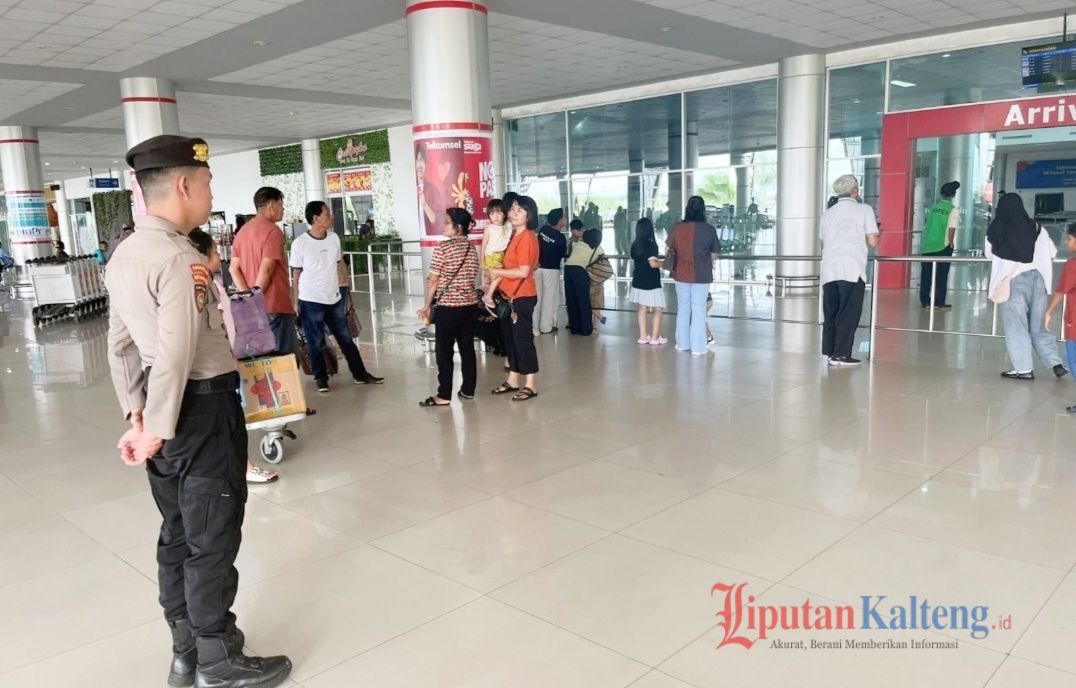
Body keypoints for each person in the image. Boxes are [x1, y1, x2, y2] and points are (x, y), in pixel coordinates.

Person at [105, 135, 291, 687]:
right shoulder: (181, 259)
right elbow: (178, 351)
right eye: (207, 182)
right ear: (183, 185)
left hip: (159, 410)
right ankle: (216, 660)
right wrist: (157, 429)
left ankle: (185, 651)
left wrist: (137, 416)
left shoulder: (125, 255)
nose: (211, 193)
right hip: (201, 411)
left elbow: (121, 345)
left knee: (179, 532)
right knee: (213, 535)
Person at [188, 228, 280, 485]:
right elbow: (214, 327)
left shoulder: (213, 283)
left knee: (230, 417)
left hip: (225, 359)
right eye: (214, 252)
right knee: (229, 419)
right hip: (215, 365)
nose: (219, 256)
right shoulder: (202, 287)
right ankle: (245, 467)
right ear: (202, 255)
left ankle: (237, 466)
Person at [290, 201, 383, 393]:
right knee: (315, 341)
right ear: (316, 218)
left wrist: (347, 286)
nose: (331, 217)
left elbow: (339, 264)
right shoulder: (300, 243)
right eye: (327, 213)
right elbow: (296, 274)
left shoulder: (333, 238)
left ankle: (360, 374)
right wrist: (296, 301)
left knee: (346, 339)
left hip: (333, 298)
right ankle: (321, 378)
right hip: (310, 299)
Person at [986, 193, 1066, 380]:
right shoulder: (1037, 228)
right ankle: (1055, 363)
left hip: (1013, 281)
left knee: (1016, 326)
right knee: (1038, 325)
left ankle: (1023, 369)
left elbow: (989, 254)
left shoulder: (996, 228)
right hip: (1038, 280)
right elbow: (1052, 251)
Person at [416, 208, 481, 407]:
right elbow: (472, 275)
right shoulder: (471, 249)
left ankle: (444, 395)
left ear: (458, 227)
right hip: (470, 306)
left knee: (444, 352)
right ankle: (468, 389)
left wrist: (427, 304)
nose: (443, 226)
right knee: (467, 348)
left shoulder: (442, 248)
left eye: (446, 222)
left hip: (449, 308)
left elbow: (434, 280)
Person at [819, 175, 880, 367]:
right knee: (848, 312)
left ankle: (831, 351)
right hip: (851, 268)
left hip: (829, 268)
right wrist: (879, 233)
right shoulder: (864, 209)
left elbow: (823, 244)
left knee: (831, 311)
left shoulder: (827, 214)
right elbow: (873, 241)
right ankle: (841, 355)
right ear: (855, 191)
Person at [230, 187, 298, 358]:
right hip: (275, 305)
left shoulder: (242, 232)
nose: (283, 208)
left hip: (253, 310)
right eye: (281, 204)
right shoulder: (273, 231)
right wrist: (257, 300)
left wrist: (249, 299)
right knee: (285, 360)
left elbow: (233, 269)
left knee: (263, 359)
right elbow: (266, 269)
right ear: (271, 205)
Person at [489, 194, 540, 402]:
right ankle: (513, 380)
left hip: (522, 296)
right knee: (510, 341)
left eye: (520, 210)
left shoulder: (527, 237)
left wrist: (498, 272)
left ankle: (531, 385)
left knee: (523, 341)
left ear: (529, 215)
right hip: (508, 296)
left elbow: (524, 271)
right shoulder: (512, 235)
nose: (514, 213)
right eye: (512, 209)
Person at [666, 196, 720, 356]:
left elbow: (668, 248)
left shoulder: (678, 228)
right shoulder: (709, 229)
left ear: (687, 209)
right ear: (703, 210)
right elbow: (714, 253)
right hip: (702, 274)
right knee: (699, 310)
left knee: (683, 309)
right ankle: (698, 347)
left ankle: (682, 344)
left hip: (681, 273)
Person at [1046, 224, 1076, 408]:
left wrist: (1049, 312)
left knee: (1074, 360)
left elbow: (1061, 291)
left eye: (1069, 238)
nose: (1066, 242)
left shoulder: (1072, 265)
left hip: (1075, 324)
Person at [920, 180, 960, 310]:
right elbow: (951, 229)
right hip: (942, 246)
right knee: (941, 276)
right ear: (953, 195)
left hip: (927, 245)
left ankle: (925, 301)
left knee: (926, 275)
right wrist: (951, 243)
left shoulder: (933, 208)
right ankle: (939, 302)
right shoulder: (953, 210)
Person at [630, 217, 667, 345]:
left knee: (642, 307)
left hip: (638, 280)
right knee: (658, 307)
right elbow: (653, 264)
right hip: (651, 281)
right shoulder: (651, 245)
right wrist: (665, 263)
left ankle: (642, 336)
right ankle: (655, 338)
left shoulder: (635, 245)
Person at [534, 208, 568, 334]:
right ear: (560, 221)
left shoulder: (543, 230)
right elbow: (563, 252)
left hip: (537, 268)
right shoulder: (561, 238)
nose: (565, 219)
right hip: (551, 269)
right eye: (564, 217)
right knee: (549, 298)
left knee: (537, 297)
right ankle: (546, 327)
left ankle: (534, 326)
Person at [564, 224, 597, 336]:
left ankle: (575, 327)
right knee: (583, 299)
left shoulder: (580, 245)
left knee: (572, 299)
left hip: (568, 269)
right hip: (579, 271)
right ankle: (586, 329)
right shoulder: (597, 248)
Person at [480, 199, 512, 312]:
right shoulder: (489, 229)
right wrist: (482, 261)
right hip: (491, 256)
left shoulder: (508, 226)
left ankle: (491, 295)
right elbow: (483, 245)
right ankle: (488, 296)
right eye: (492, 214)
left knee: (498, 278)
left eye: (499, 213)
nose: (496, 217)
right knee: (498, 275)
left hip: (500, 256)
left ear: (504, 214)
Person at [416, 144, 444, 236]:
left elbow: (435, 220)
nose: (419, 165)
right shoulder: (411, 189)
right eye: (416, 160)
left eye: (421, 160)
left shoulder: (433, 190)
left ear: (425, 164)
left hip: (429, 239)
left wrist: (424, 204)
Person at [583, 228, 607, 329]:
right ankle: (595, 325)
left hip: (588, 278)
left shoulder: (586, 249)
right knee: (597, 303)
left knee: (586, 301)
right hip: (598, 279)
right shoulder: (600, 249)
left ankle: (598, 319)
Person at [614, 206, 630, 276]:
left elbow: (626, 223)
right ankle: (619, 251)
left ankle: (626, 251)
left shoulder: (623, 215)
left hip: (622, 229)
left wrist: (625, 229)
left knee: (623, 241)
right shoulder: (616, 216)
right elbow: (615, 223)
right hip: (618, 229)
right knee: (617, 241)